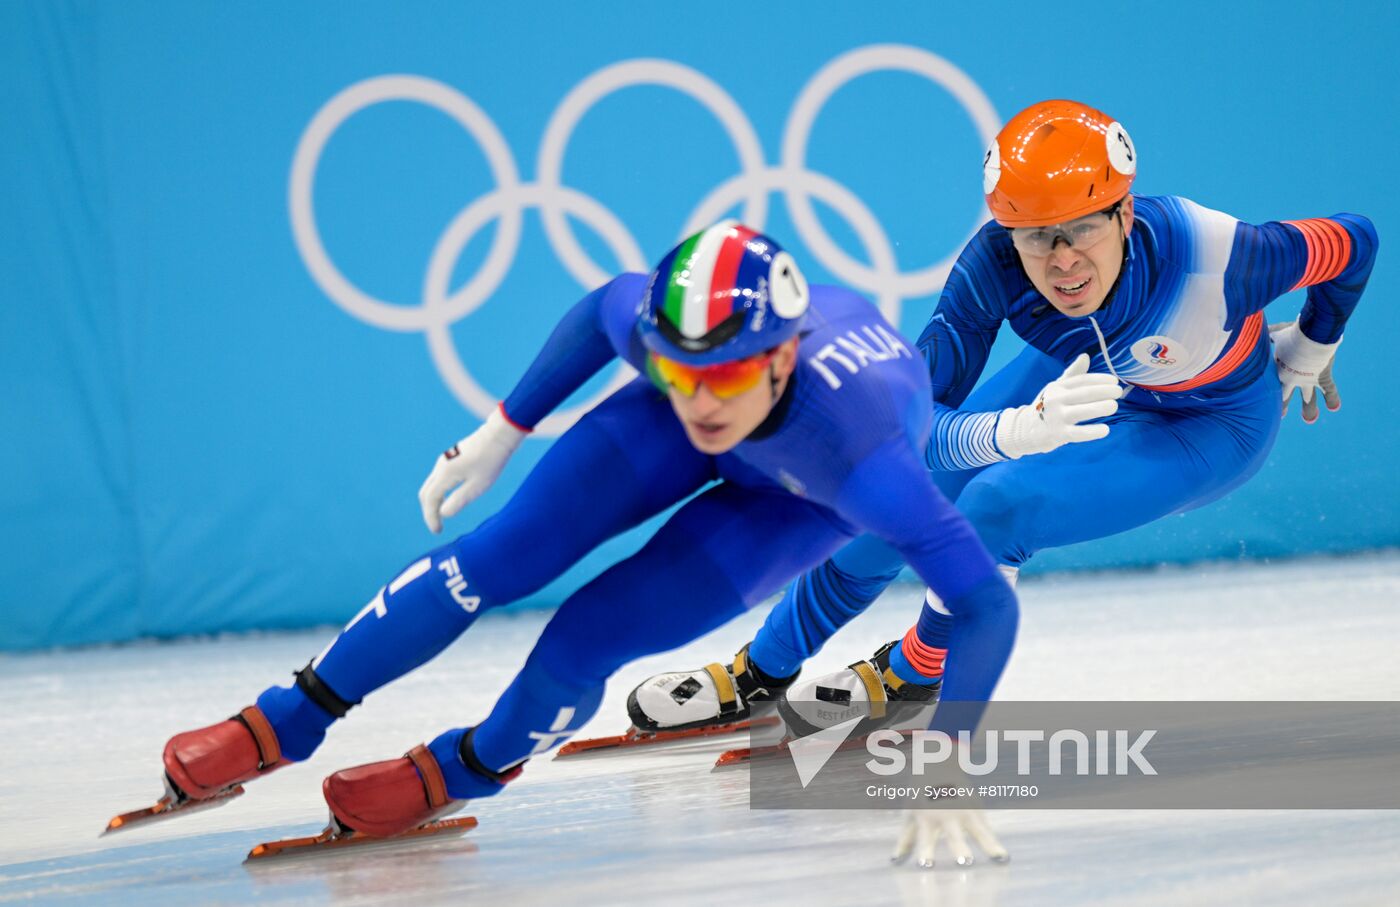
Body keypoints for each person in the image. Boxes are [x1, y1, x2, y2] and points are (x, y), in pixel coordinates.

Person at [628, 101, 1377, 866]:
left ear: (1124, 214)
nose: (1060, 263)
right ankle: (762, 668)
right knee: (896, 496)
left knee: (996, 506)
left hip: (1210, 421)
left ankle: (912, 670)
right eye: (1034, 239)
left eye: (1080, 229)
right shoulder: (993, 266)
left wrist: (1316, 341)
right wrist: (1007, 431)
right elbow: (913, 426)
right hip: (1088, 375)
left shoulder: (1222, 255)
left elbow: (1358, 239)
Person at [152, 221, 1017, 848]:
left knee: (582, 641)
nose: (701, 400)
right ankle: (289, 715)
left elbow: (985, 602)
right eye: (679, 371)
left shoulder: (866, 462)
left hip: (795, 496)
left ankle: (464, 767)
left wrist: (953, 755)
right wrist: (502, 428)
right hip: (701, 436)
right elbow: (603, 309)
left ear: (783, 357)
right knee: (493, 556)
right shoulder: (684, 359)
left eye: (723, 377)